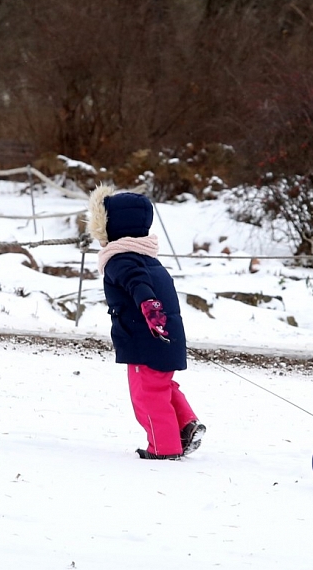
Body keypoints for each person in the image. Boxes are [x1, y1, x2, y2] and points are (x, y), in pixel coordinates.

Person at [87, 185, 206, 460]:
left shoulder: (121, 259)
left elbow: (138, 285)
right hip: (165, 334)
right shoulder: (148, 257)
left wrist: (149, 308)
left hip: (145, 337)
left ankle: (164, 447)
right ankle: (186, 426)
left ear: (110, 226)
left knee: (147, 395)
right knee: (162, 386)